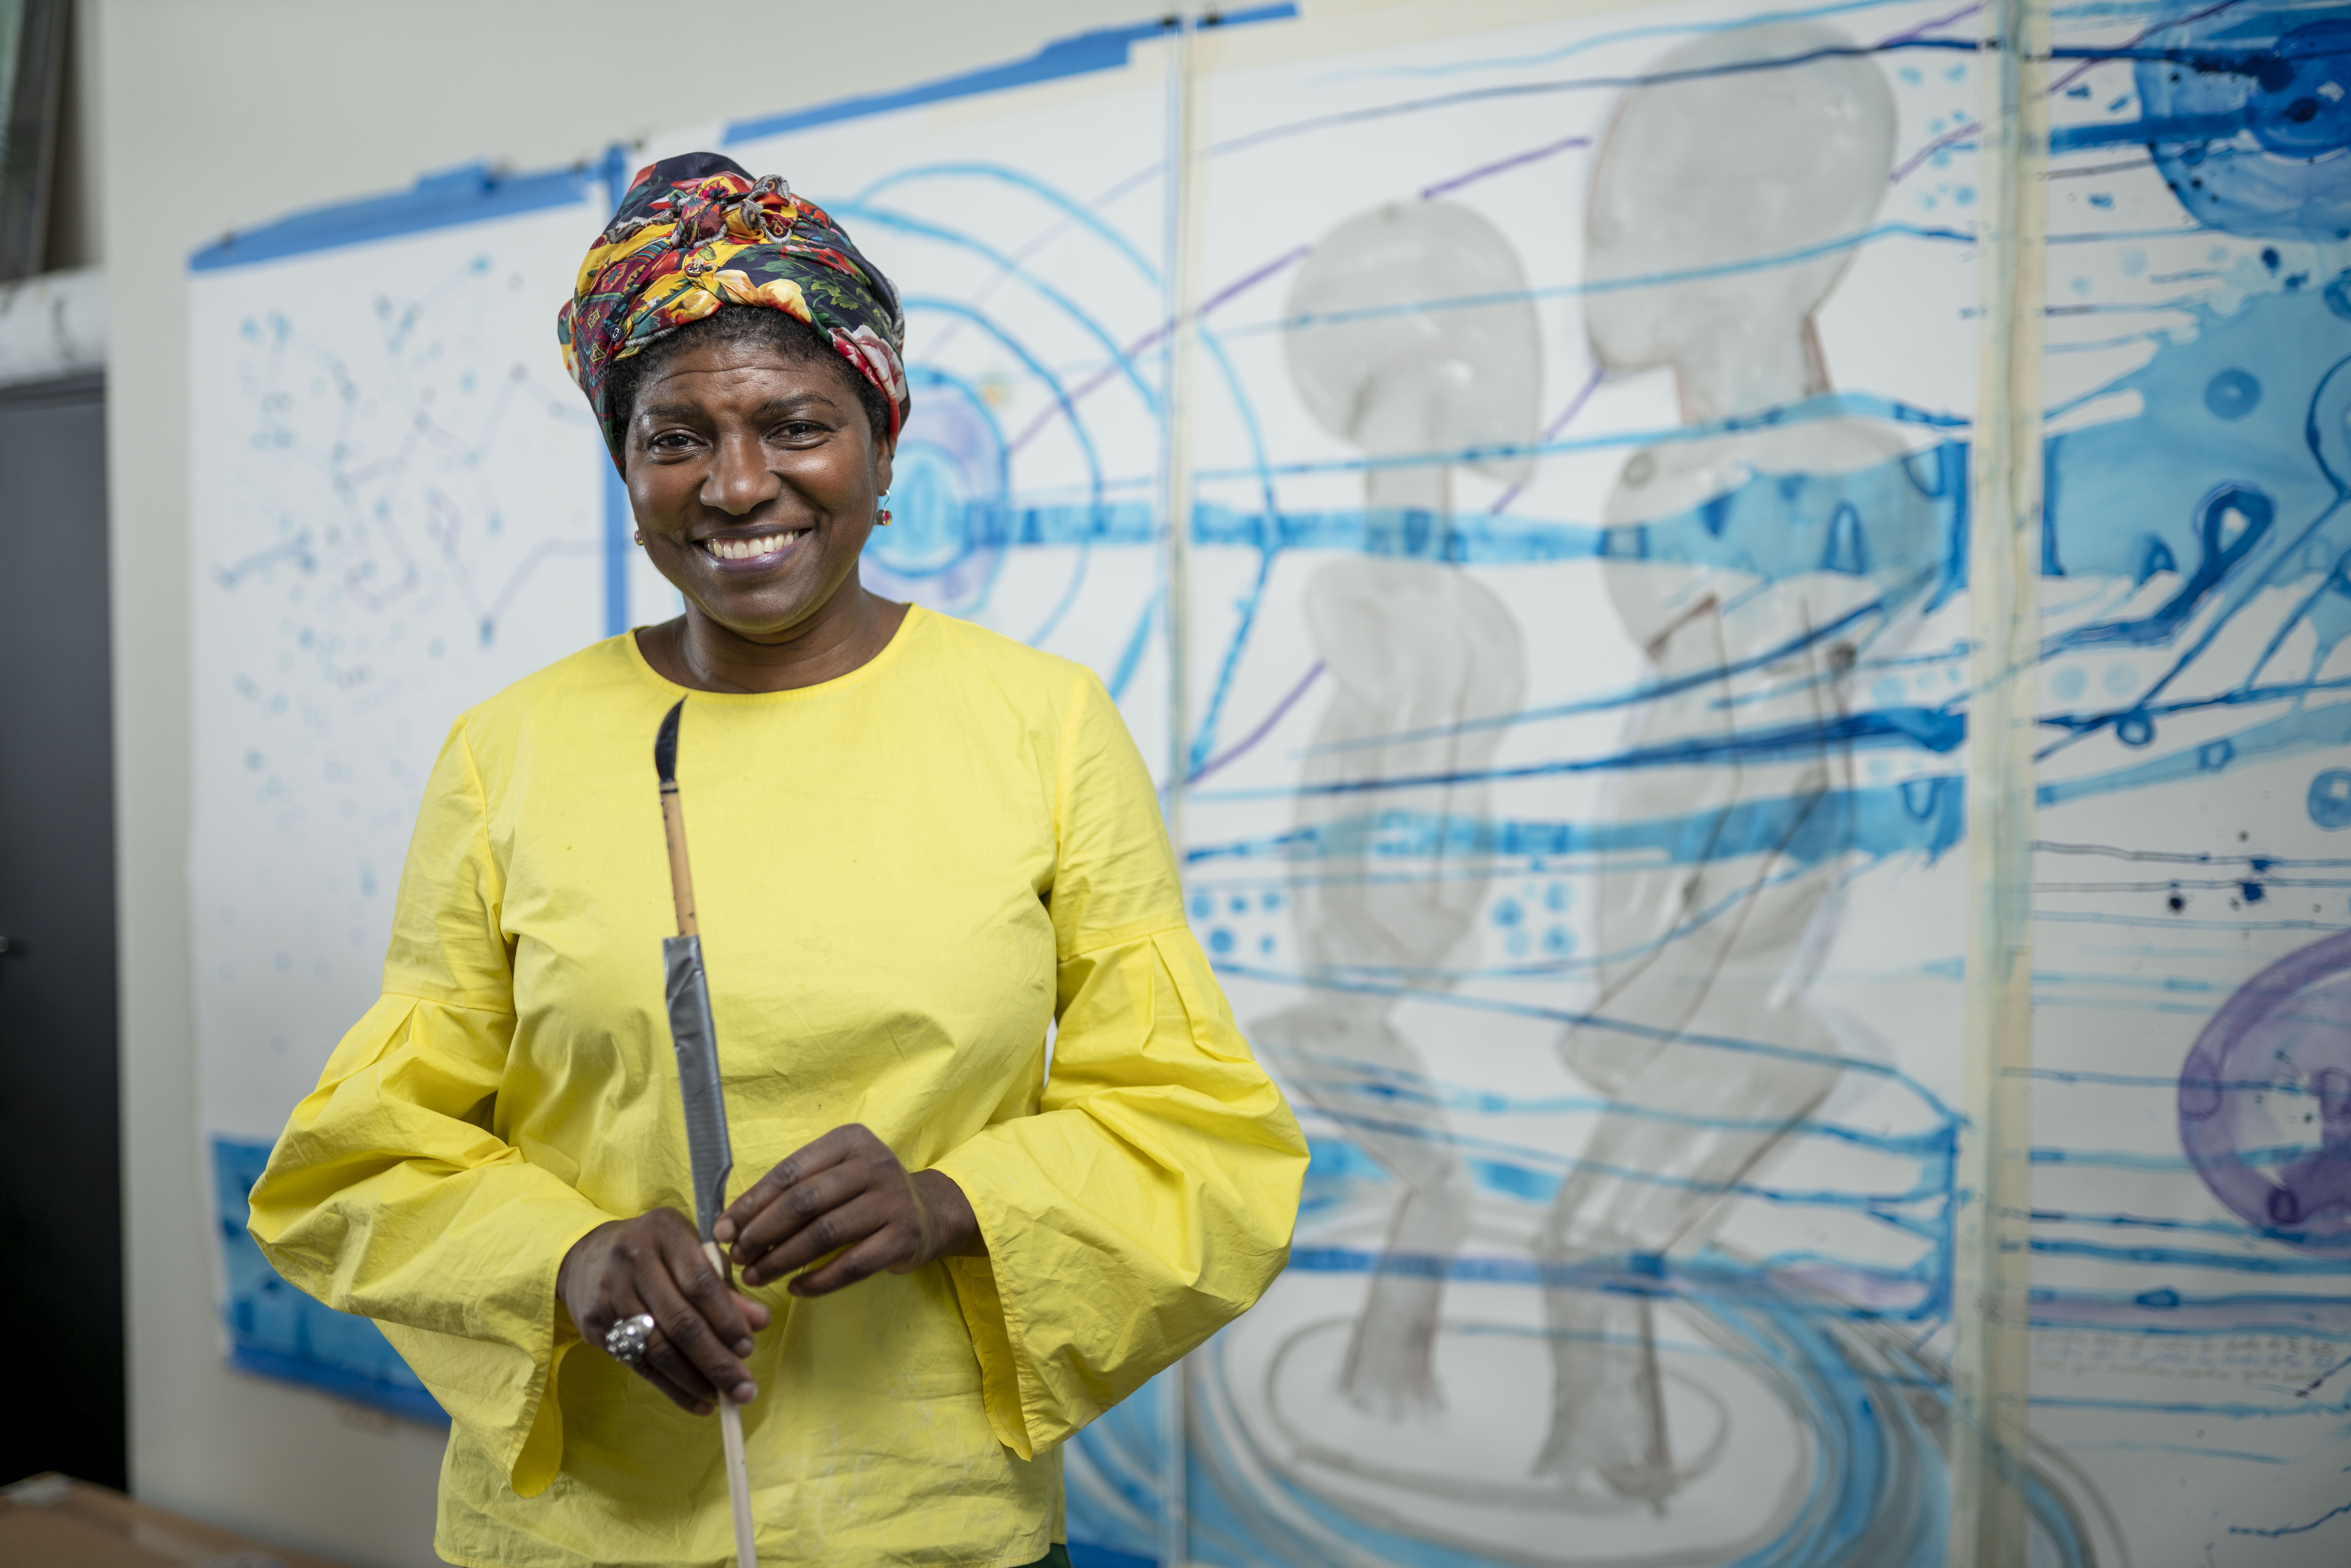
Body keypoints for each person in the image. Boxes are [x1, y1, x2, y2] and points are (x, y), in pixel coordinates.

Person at [247, 152, 1307, 1568]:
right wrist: (560, 1261)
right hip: (580, 1538)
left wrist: (955, 1204)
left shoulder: (1039, 725)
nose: (738, 485)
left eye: (794, 425)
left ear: (879, 438)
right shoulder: (512, 750)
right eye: (674, 438)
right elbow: (357, 1163)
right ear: (626, 469)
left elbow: (1205, 1142)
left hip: (930, 1528)